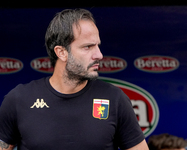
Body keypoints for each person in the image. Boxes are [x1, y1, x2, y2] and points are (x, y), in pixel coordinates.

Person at [0, 9, 149, 150]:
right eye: (88, 47)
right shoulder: (19, 99)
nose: (99, 55)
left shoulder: (115, 99)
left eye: (98, 45)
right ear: (61, 52)